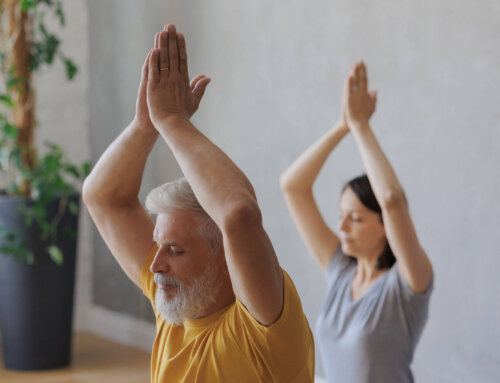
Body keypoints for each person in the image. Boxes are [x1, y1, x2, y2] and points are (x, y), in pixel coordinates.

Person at [82, 24, 314, 383]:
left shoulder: (262, 332)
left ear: (226, 259)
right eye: (161, 246)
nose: (156, 264)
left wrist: (172, 122)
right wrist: (145, 126)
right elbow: (104, 198)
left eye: (175, 250)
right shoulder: (176, 305)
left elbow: (239, 214)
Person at [280, 61, 433, 383]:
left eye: (356, 218)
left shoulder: (408, 284)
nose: (342, 228)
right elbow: (292, 186)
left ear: (385, 226)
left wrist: (362, 127)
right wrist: (343, 125)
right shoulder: (340, 270)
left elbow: (391, 199)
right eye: (341, 217)